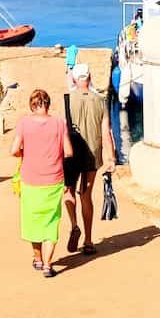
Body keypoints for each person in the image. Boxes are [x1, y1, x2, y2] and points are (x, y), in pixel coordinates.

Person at [11, 88, 73, 278]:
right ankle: (47, 265)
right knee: (51, 221)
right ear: (48, 104)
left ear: (32, 105)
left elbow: (14, 150)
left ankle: (38, 259)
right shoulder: (59, 123)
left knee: (33, 221)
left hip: (30, 179)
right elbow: (69, 152)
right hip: (53, 179)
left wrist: (26, 154)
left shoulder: (24, 123)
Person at [64, 63, 116, 256]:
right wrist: (111, 158)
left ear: (76, 79)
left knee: (68, 191)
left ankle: (74, 225)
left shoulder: (69, 99)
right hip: (92, 155)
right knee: (86, 195)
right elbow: (105, 131)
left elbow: (63, 130)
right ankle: (88, 240)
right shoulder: (100, 100)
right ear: (90, 77)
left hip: (71, 153)